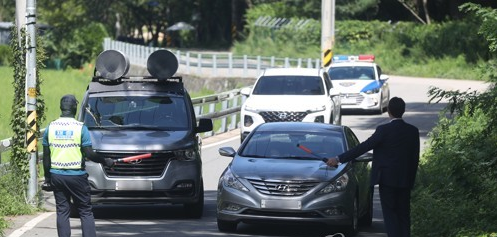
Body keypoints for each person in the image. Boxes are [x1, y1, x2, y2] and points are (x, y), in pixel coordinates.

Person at [326, 97, 420, 237]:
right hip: (405, 180)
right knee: (404, 215)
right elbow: (415, 158)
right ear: (403, 111)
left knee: (390, 215)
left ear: (389, 111)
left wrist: (339, 159)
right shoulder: (412, 131)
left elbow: (364, 147)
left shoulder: (383, 130)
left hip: (386, 180)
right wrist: (411, 180)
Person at [42, 94, 114, 237]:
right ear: (75, 108)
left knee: (62, 211)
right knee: (85, 211)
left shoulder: (50, 128)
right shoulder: (80, 128)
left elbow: (46, 156)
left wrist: (48, 179)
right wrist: (105, 161)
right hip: (77, 176)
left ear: (61, 108)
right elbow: (89, 154)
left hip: (57, 175)